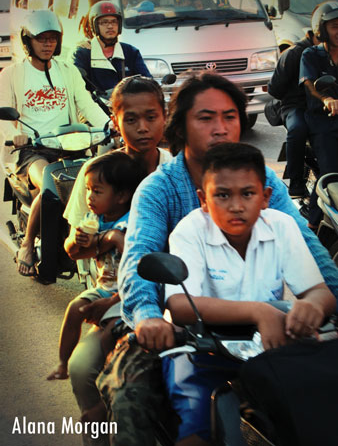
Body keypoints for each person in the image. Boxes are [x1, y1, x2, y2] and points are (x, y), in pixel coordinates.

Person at [96, 71, 338, 446]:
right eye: (206, 118)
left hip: (263, 331)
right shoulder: (160, 187)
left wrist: (330, 298)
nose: (221, 128)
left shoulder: (261, 182)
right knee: (132, 402)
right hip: (177, 328)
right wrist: (145, 316)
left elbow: (309, 248)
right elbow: (139, 258)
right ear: (181, 126)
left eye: (229, 117)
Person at [162, 142, 336, 445]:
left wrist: (313, 308)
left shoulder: (282, 226)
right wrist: (260, 311)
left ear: (266, 197)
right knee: (196, 431)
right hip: (201, 351)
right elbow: (180, 305)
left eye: (248, 193)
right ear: (204, 200)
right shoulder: (188, 232)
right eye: (223, 195)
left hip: (270, 351)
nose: (237, 205)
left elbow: (318, 292)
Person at [61, 75, 172, 446]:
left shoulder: (176, 172)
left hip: (170, 301)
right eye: (131, 119)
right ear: (115, 121)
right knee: (80, 368)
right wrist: (81, 243)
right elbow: (74, 248)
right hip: (112, 297)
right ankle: (95, 426)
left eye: (151, 117)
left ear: (166, 116)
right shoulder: (96, 174)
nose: (142, 128)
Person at [0, 9, 109, 277]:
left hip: (70, 144)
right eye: (41, 39)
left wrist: (109, 125)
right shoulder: (11, 74)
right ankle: (27, 245)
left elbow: (86, 103)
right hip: (31, 150)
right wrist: (12, 135)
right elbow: (2, 113)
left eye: (52, 39)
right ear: (28, 42)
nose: (48, 44)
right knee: (50, 181)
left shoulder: (68, 71)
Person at [47, 152, 145, 382]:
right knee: (73, 309)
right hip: (104, 286)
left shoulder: (131, 221)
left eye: (97, 191)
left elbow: (134, 261)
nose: (89, 197)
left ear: (121, 196)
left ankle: (111, 379)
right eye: (88, 190)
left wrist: (113, 240)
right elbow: (73, 248)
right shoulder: (96, 217)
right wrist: (81, 239)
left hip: (125, 290)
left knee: (108, 336)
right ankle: (62, 364)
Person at [299, 0, 338, 229]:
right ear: (322, 30)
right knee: (331, 175)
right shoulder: (311, 54)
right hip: (322, 121)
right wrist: (327, 99)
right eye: (334, 26)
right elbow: (309, 83)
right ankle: (313, 227)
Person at [268, 29, 320, 198]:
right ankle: (296, 183)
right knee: (298, 129)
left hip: (323, 105)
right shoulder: (293, 54)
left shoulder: (330, 53)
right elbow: (275, 89)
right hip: (295, 106)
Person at [73, 0, 151, 94]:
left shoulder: (131, 52)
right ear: (94, 26)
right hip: (94, 107)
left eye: (114, 22)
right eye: (104, 22)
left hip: (126, 107)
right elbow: (76, 88)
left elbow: (147, 84)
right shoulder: (82, 53)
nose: (110, 26)